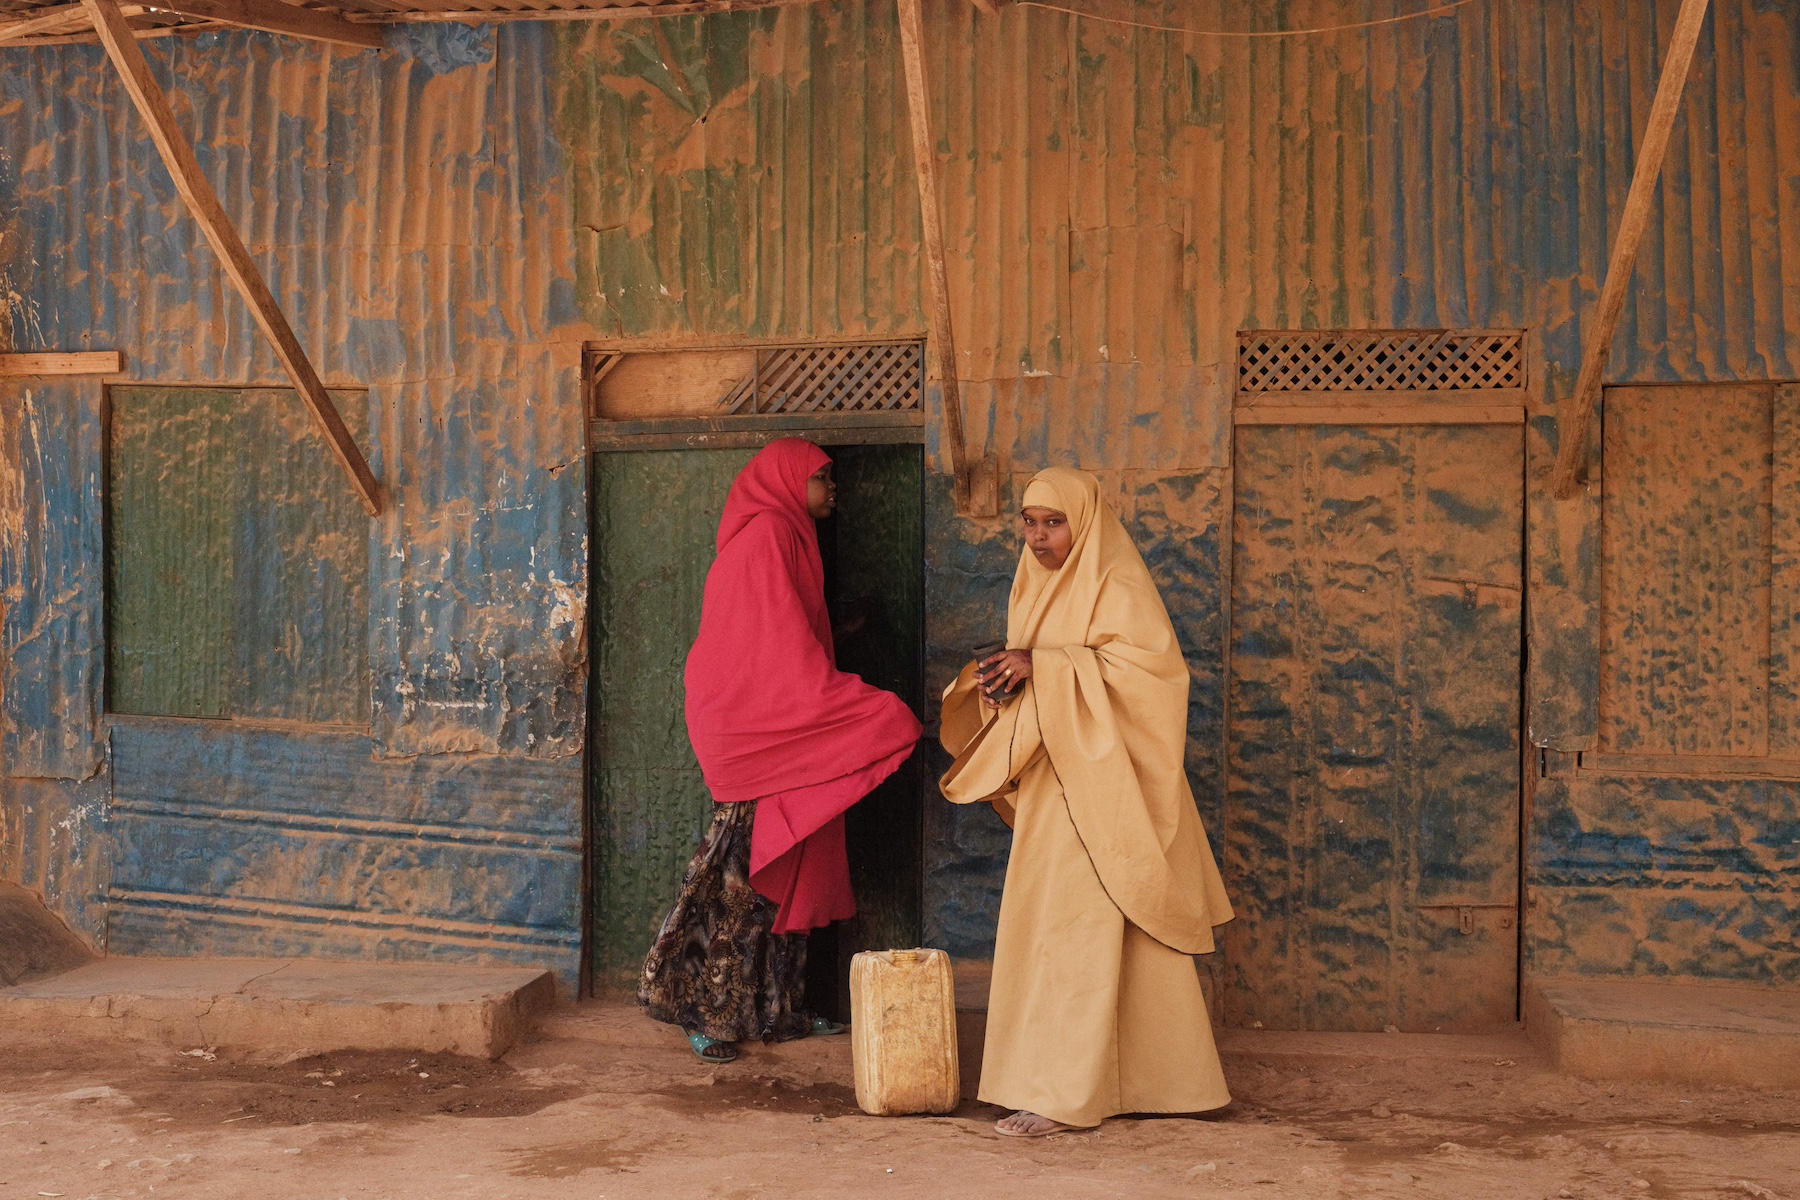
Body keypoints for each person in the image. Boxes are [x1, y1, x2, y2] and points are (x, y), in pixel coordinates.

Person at [938, 467, 1234, 1136]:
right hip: (1058, 786)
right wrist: (1002, 683)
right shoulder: (1031, 582)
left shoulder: (1117, 583)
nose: (1039, 537)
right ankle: (1142, 1083)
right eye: (1029, 521)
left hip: (1109, 789)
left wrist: (1043, 666)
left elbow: (1154, 679)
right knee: (1069, 929)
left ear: (1086, 523)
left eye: (1055, 523)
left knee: (1083, 929)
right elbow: (1036, 681)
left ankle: (1063, 1095)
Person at [640, 438, 923, 1063]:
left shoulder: (789, 537)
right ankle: (701, 1012)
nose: (831, 488)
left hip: (775, 722)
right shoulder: (768, 535)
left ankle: (777, 1011)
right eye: (821, 477)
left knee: (786, 869)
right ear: (787, 483)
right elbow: (769, 651)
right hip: (757, 728)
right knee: (738, 881)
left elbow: (777, 633)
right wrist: (839, 700)